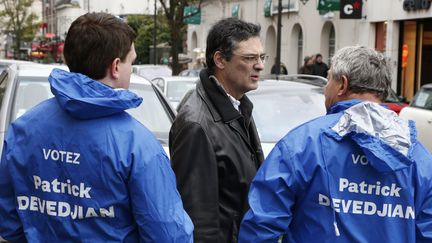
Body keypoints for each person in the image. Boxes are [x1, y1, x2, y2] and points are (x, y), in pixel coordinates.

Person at [0, 13, 193, 242]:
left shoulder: (23, 129)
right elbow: (168, 235)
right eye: (132, 61)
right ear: (116, 66)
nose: (132, 69)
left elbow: (9, 223)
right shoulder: (137, 145)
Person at [239, 45, 432, 242]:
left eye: (329, 78)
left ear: (342, 85)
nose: (325, 87)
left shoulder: (302, 144)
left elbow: (262, 225)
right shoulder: (417, 156)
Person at [169, 17, 265, 243]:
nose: (260, 65)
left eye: (261, 57)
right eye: (250, 58)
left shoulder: (237, 105)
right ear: (220, 60)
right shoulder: (197, 124)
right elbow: (198, 219)